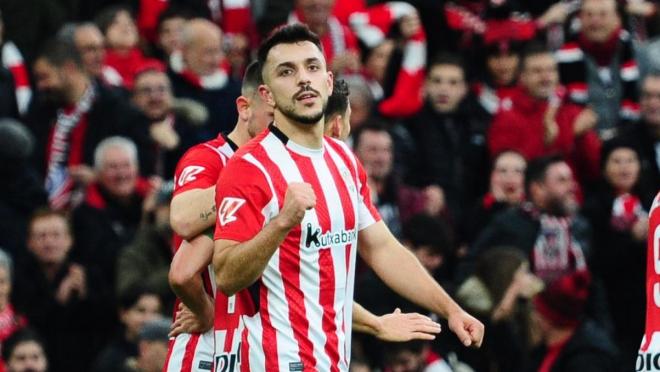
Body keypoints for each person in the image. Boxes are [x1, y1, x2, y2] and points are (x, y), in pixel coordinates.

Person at [212, 24, 483, 371]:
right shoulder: (250, 167)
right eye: (287, 71)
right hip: (272, 362)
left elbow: (383, 248)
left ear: (328, 81)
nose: (303, 79)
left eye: (312, 67)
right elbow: (228, 275)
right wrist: (280, 224)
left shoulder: (343, 160)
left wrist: (451, 309)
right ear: (267, 95)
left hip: (332, 359)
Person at [166, 62, 441, 371]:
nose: (283, 129)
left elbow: (311, 291)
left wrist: (375, 324)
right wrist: (203, 309)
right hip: (204, 346)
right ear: (246, 107)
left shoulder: (297, 178)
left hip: (252, 349)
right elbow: (183, 232)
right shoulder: (214, 160)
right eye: (274, 119)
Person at [26, 40, 150, 210]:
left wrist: (100, 178)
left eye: (45, 77)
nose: (40, 86)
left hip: (101, 214)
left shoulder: (116, 109)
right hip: (41, 211)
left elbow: (140, 172)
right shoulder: (40, 111)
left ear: (69, 68)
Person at [488, 42, 602, 184]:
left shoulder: (571, 111)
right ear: (522, 77)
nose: (546, 77)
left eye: (551, 70)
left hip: (570, 198)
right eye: (537, 71)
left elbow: (595, 167)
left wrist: (585, 136)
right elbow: (518, 171)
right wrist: (571, 133)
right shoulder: (507, 117)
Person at [13, 209, 110, 372]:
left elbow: (106, 321)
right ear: (29, 243)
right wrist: (58, 301)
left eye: (56, 235)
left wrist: (85, 294)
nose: (49, 243)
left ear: (69, 240)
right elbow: (26, 324)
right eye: (41, 236)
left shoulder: (88, 275)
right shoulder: (20, 279)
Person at [556, 0, 640, 138]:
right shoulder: (563, 59)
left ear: (617, 19)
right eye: (589, 15)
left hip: (629, 140)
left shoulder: (637, 55)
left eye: (603, 14)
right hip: (584, 141)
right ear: (580, 19)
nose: (595, 21)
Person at [527, 271, 619, 372]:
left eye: (536, 311)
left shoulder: (588, 359)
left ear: (547, 319)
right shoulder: (543, 350)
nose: (532, 317)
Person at [167, 18, 241, 139]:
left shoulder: (234, 89)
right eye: (208, 52)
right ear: (186, 51)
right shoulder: (168, 85)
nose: (216, 59)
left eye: (218, 51)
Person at [93, 286, 163, 372]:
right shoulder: (111, 360)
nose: (149, 319)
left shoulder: (170, 352)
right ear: (123, 314)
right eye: (141, 311)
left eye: (155, 312)